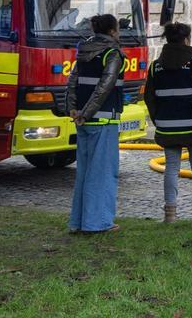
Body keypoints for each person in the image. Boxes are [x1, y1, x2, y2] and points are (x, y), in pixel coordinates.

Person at [144, 23, 192, 224]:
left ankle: (170, 214)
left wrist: (160, 121)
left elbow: (149, 98)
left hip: (167, 127)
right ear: (186, 39)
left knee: (171, 167)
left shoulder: (155, 66)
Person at [66, 14, 126, 233]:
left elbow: (72, 81)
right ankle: (98, 222)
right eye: (117, 29)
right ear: (112, 31)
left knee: (84, 172)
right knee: (102, 173)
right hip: (102, 119)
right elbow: (105, 87)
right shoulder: (113, 53)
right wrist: (87, 113)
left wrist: (73, 109)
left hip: (82, 120)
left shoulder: (83, 52)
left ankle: (77, 221)